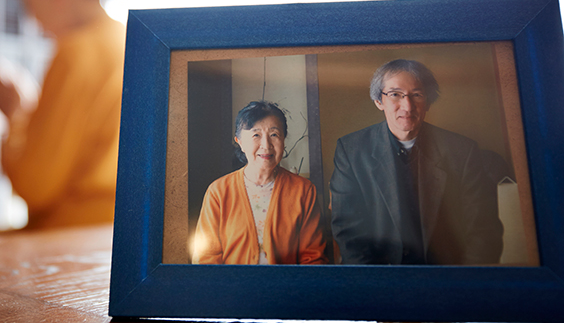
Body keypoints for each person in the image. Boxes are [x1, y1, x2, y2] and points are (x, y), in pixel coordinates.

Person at [0, 0, 131, 230]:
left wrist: (15, 112)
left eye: (30, 5)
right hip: (120, 230)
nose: (36, 23)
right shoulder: (126, 39)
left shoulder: (76, 53)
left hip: (75, 233)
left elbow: (36, 187)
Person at [329, 59, 504, 265]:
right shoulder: (351, 150)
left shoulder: (463, 151)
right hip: (380, 276)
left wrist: (463, 286)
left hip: (448, 276)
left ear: (428, 102)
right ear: (379, 101)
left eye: (417, 95)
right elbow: (349, 232)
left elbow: (483, 230)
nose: (407, 106)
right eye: (395, 94)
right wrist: (374, 286)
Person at [192, 101, 328, 265]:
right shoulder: (218, 191)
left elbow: (313, 257)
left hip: (287, 288)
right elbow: (206, 257)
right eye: (256, 135)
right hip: (232, 289)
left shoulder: (303, 190)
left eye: (274, 135)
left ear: (284, 139)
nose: (266, 145)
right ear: (240, 142)